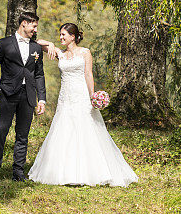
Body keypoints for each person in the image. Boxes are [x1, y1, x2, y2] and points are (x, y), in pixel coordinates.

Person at [30, 23, 139, 187]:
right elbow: (37, 42)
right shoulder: (60, 53)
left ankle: (92, 171)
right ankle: (64, 172)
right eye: (60, 35)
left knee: (86, 129)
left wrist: (92, 96)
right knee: (64, 129)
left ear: (72, 37)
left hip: (81, 96)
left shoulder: (85, 52)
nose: (60, 38)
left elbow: (88, 74)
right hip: (65, 97)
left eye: (63, 35)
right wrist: (51, 44)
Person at [0, 12, 46, 183]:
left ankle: (18, 172)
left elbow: (39, 74)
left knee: (22, 135)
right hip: (7, 94)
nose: (35, 29)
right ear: (24, 24)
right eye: (33, 26)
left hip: (28, 96)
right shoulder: (4, 43)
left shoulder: (36, 48)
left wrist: (41, 98)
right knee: (0, 132)